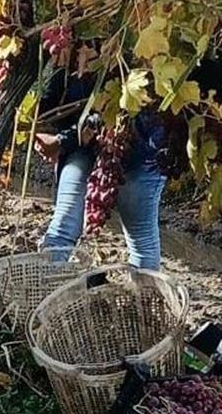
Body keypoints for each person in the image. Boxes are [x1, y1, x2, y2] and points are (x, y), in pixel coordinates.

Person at [34, 46, 168, 269]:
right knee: (62, 229)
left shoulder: (133, 46)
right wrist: (41, 129)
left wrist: (61, 141)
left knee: (140, 240)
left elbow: (106, 117)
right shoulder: (73, 40)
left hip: (140, 154)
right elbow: (53, 97)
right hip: (86, 148)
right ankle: (44, 295)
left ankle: (142, 300)